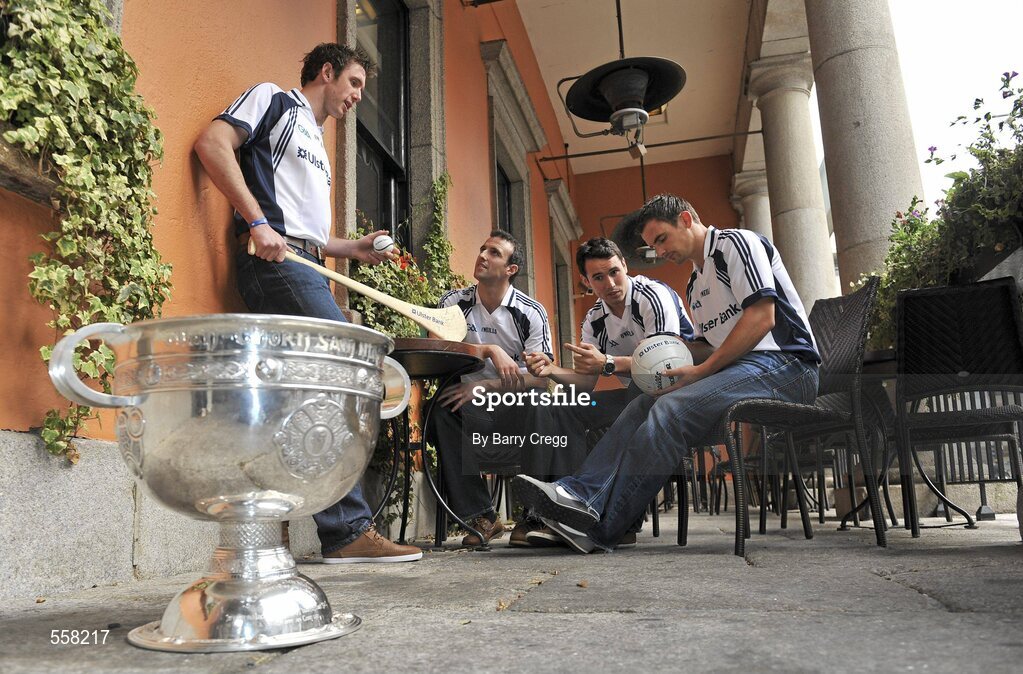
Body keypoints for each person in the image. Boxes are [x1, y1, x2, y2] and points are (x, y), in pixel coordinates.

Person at [193, 42, 422, 563]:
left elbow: (301, 230)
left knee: (300, 397)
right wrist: (255, 221)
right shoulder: (275, 101)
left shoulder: (316, 142)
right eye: (355, 84)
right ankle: (344, 530)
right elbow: (212, 144)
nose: (358, 97)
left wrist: (350, 249)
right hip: (276, 266)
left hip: (303, 263)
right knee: (343, 376)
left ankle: (276, 525)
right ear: (327, 72)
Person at [513, 193, 820, 553]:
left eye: (661, 240)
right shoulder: (695, 284)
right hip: (740, 371)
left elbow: (762, 316)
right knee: (643, 406)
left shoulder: (736, 243)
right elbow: (704, 345)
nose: (659, 252)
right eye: (652, 246)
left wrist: (695, 370)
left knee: (666, 408)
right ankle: (578, 496)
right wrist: (680, 361)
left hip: (788, 366)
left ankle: (601, 528)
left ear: (686, 220)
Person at [521, 236, 693, 547]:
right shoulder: (594, 320)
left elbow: (664, 368)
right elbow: (586, 383)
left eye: (614, 271)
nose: (610, 283)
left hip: (677, 392)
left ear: (625, 265)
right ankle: (569, 512)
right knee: (565, 404)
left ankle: (594, 507)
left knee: (640, 395)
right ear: (587, 282)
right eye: (598, 277)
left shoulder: (652, 295)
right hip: (636, 396)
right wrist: (551, 371)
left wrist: (609, 363)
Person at [427, 230, 554, 546]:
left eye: (494, 253)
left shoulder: (531, 312)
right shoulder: (454, 302)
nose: (482, 255)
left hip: (516, 408)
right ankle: (483, 518)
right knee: (441, 408)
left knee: (540, 402)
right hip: (470, 411)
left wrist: (487, 386)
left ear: (511, 269)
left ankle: (533, 517)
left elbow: (542, 377)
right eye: (482, 249)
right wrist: (485, 353)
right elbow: (435, 351)